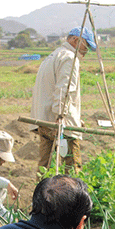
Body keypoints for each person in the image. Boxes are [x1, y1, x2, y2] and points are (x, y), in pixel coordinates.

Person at [30, 26, 97, 174]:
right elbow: (64, 89)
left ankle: (41, 195)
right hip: (59, 121)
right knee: (71, 166)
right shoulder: (69, 58)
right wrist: (62, 116)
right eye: (86, 45)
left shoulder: (53, 56)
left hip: (44, 119)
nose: (86, 51)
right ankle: (71, 197)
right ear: (75, 40)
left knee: (44, 166)